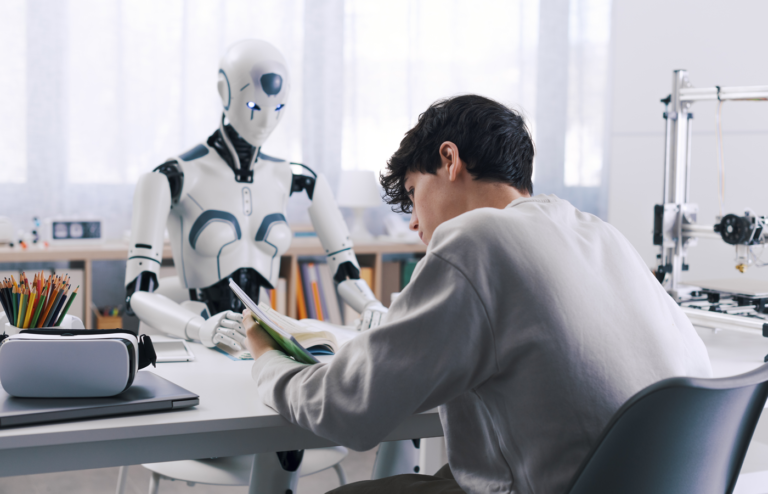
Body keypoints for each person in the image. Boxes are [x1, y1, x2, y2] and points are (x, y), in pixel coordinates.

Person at [242, 94, 712, 494]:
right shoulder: (599, 233)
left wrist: (266, 359)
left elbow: (346, 410)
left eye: (412, 193)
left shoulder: (475, 238)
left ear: (449, 160)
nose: (412, 222)